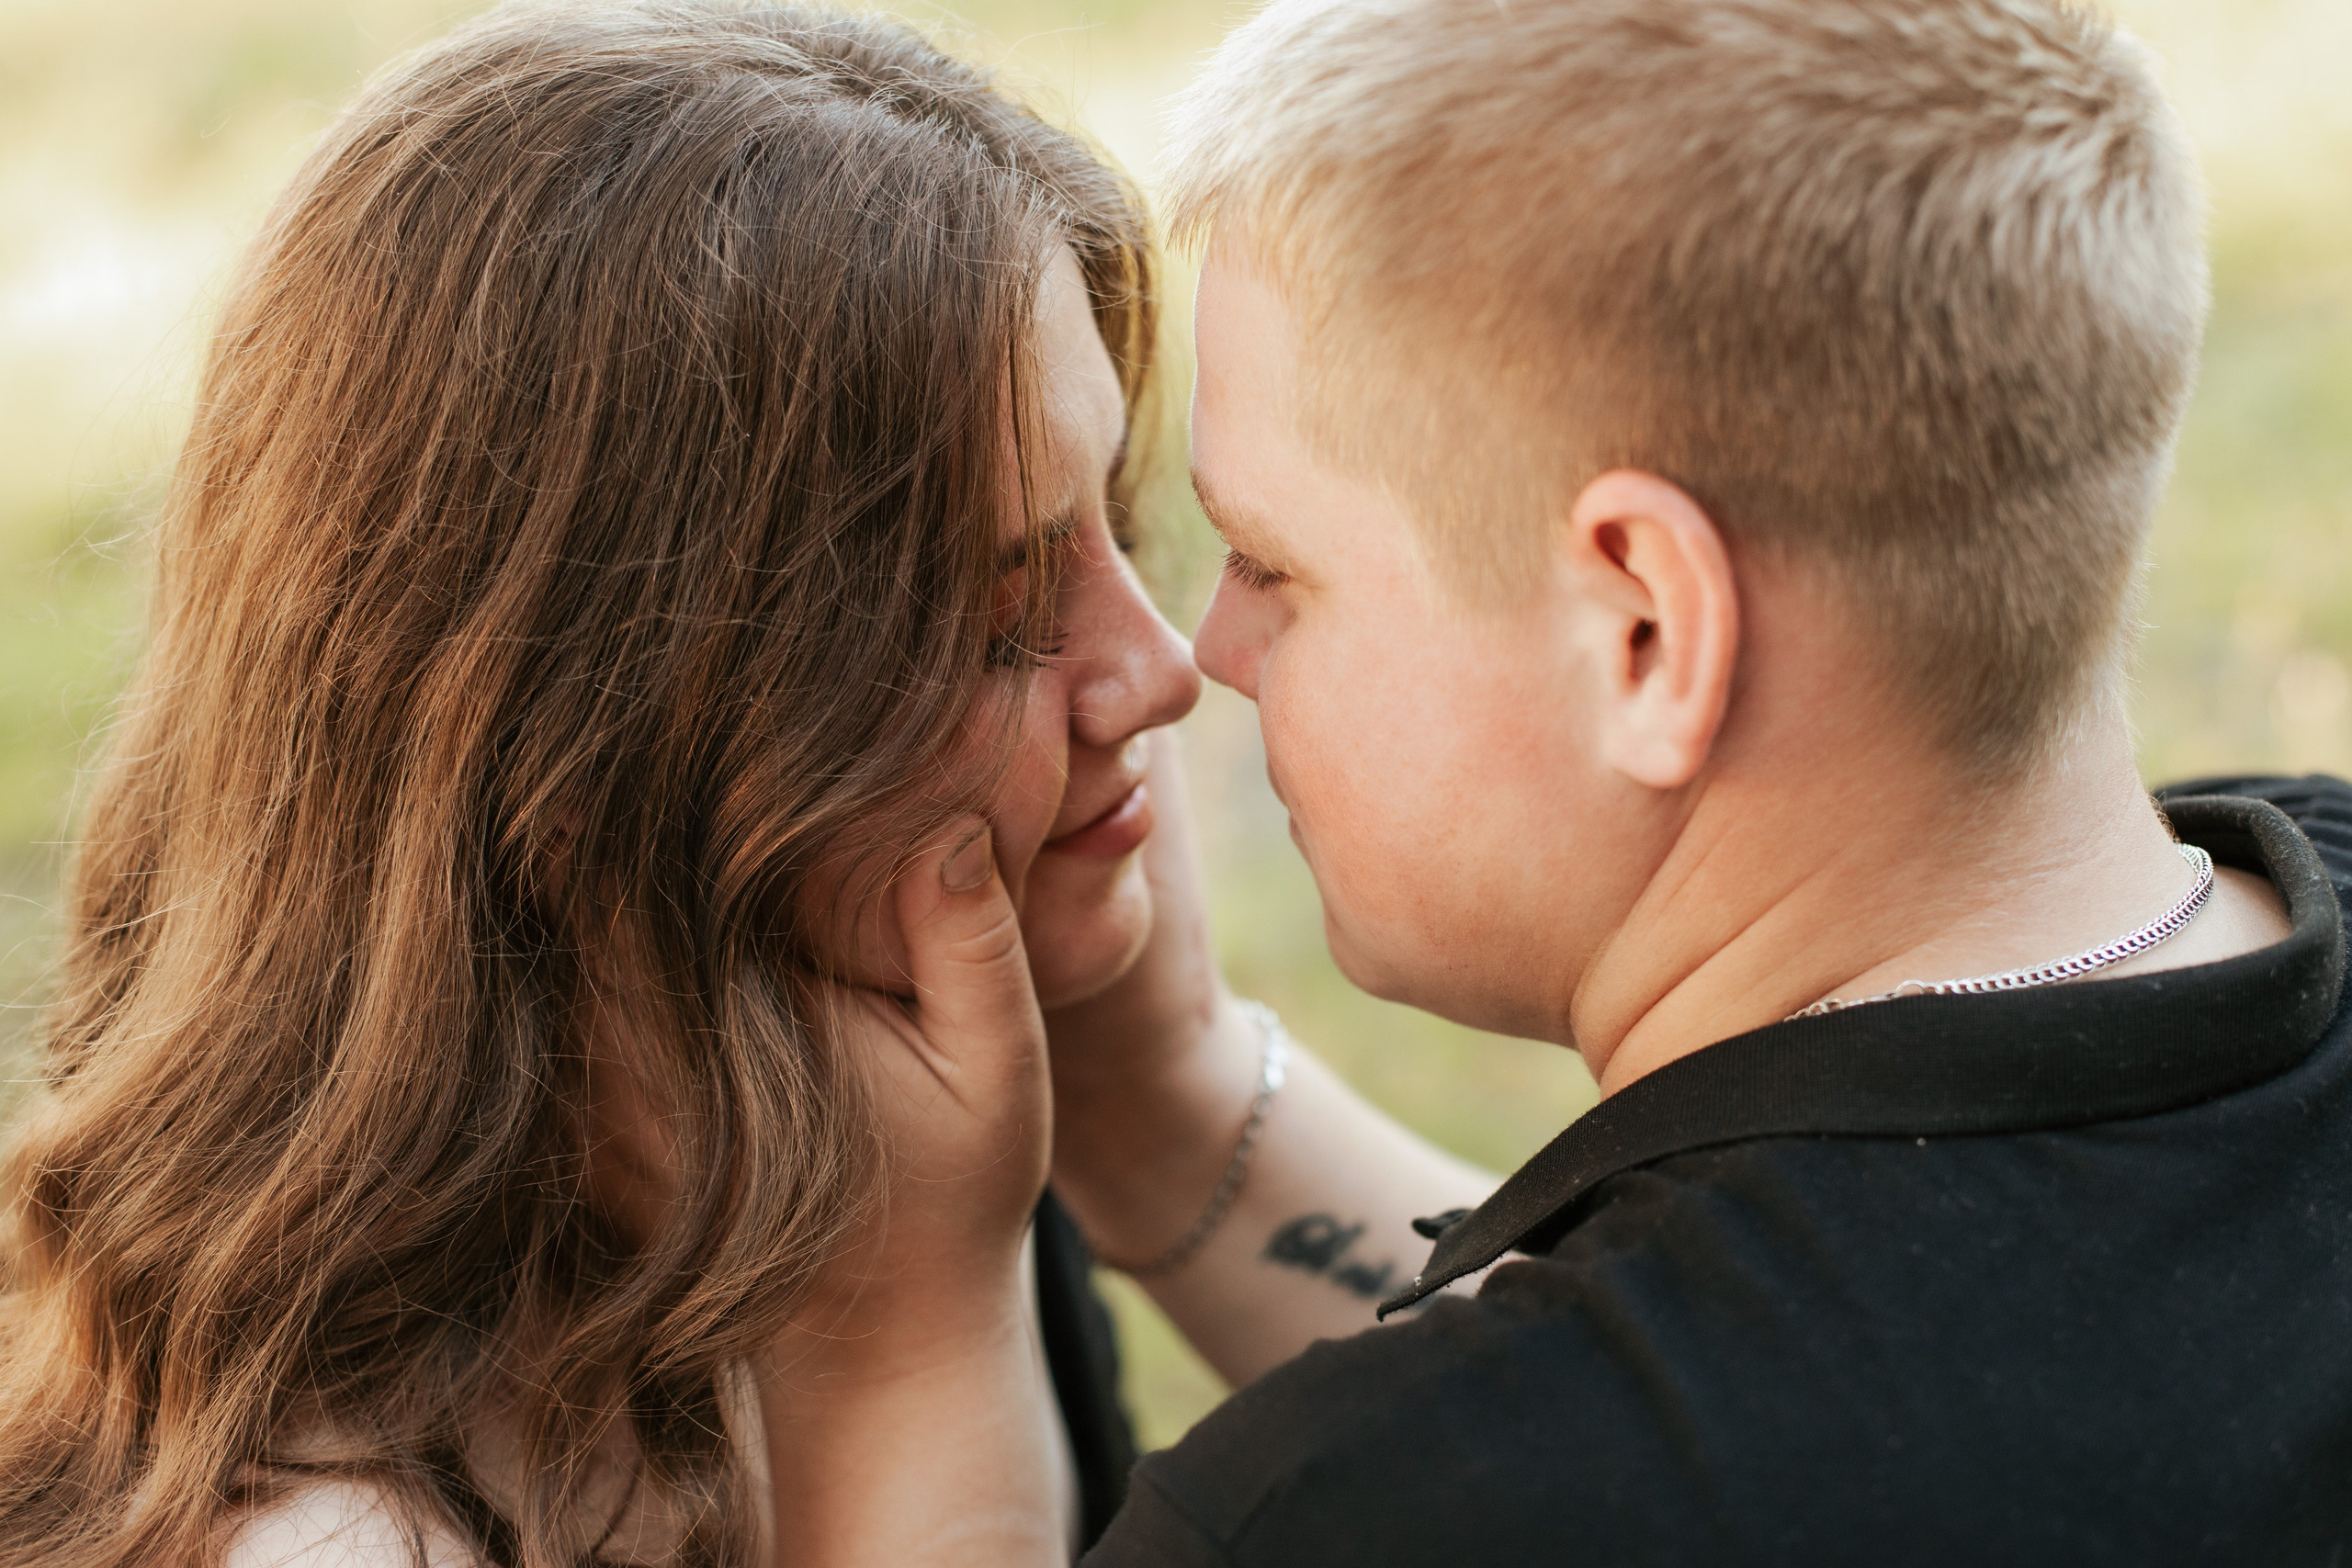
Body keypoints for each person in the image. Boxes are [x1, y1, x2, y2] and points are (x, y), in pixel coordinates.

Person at [764, 0, 2352, 1562]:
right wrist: (1165, 1098)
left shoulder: (1367, 1514)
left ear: (1648, 629)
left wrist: (911, 1343)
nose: (1201, 655)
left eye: (1267, 561)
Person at [0, 5, 1200, 1564]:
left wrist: (1167, 1089)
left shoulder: (902, 1131)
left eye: (1111, 514)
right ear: (592, 772)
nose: (1163, 666)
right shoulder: (343, 1535)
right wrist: (917, 1357)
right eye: (996, 615)